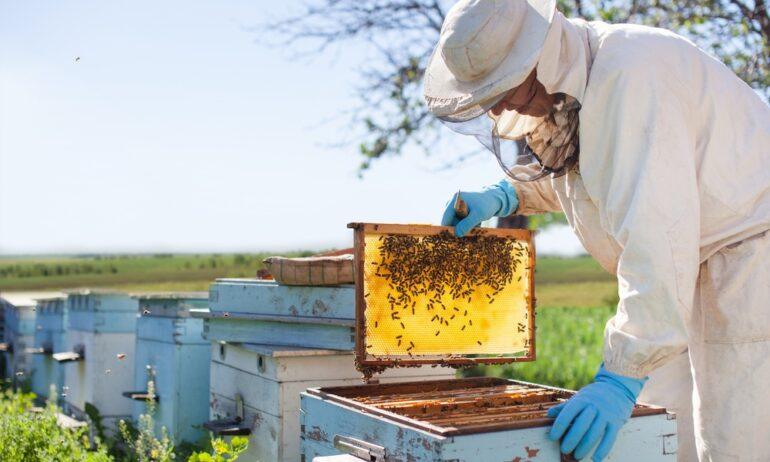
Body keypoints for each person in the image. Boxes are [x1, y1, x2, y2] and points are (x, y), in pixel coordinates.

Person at [424, 0, 770, 461]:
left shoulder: (631, 77)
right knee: (660, 434)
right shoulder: (578, 84)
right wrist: (508, 194)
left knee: (736, 445)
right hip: (688, 270)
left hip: (747, 264)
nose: (501, 105)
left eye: (505, 87)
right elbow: (595, 177)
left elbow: (658, 235)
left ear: (536, 58)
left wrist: (619, 377)